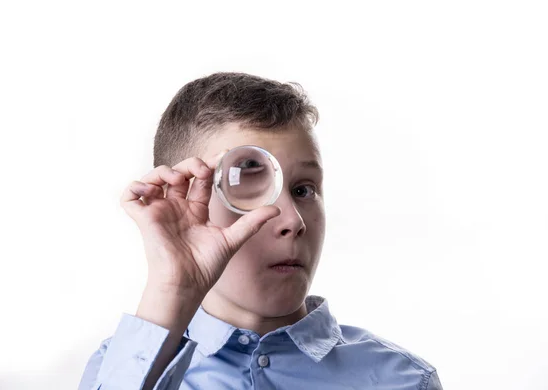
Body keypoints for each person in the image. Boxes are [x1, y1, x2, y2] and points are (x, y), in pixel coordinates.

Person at [77, 72, 443, 390]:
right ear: (185, 199)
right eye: (246, 186)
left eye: (304, 190)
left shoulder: (405, 380)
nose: (294, 221)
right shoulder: (122, 370)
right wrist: (172, 287)